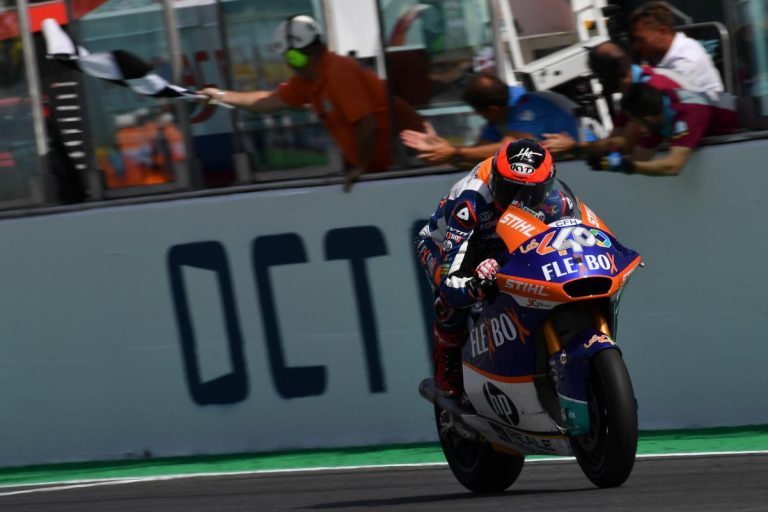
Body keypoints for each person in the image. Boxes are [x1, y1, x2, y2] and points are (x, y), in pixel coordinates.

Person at [198, 15, 425, 192]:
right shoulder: (309, 81)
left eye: (290, 57)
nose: (289, 64)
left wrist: (360, 168)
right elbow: (264, 102)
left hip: (410, 164)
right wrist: (218, 95)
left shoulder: (338, 73)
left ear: (302, 54)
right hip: (387, 169)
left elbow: (367, 124)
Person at [415, 139, 571, 397]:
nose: (516, 202)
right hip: (445, 244)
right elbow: (451, 280)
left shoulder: (556, 200)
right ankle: (447, 360)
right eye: (508, 191)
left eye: (528, 194)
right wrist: (474, 287)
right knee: (449, 301)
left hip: (501, 243)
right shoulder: (471, 202)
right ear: (495, 181)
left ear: (546, 186)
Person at [400, 73, 580, 168]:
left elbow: (511, 150)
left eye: (480, 113)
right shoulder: (500, 109)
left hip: (580, 162)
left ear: (492, 110)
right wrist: (440, 153)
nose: (480, 117)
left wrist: (454, 151)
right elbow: (478, 156)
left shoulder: (528, 105)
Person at [543, 40, 688, 156]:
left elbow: (624, 144)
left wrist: (573, 147)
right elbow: (612, 141)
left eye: (599, 77)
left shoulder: (649, 89)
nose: (599, 83)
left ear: (609, 76)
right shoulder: (633, 88)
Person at [587, 82, 736, 176]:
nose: (639, 130)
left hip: (740, 122)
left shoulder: (687, 114)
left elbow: (673, 165)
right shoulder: (656, 113)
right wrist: (606, 163)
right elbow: (640, 158)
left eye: (637, 123)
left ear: (648, 118)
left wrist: (630, 166)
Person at [629, 1, 724, 93]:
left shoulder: (686, 62)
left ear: (662, 32)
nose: (637, 46)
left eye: (641, 40)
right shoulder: (669, 53)